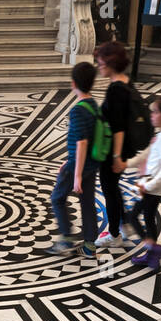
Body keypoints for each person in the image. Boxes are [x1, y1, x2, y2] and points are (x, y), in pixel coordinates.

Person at [94, 40, 146, 248]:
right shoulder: (127, 83)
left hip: (115, 149)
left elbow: (118, 127)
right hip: (126, 146)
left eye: (100, 62)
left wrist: (116, 156)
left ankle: (114, 234)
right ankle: (125, 223)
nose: (98, 66)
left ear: (110, 63)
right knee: (113, 187)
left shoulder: (116, 90)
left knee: (110, 190)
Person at [48, 62, 102, 258]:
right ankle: (89, 245)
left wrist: (76, 174)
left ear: (73, 83)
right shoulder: (93, 104)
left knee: (57, 198)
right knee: (87, 202)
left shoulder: (78, 110)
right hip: (91, 163)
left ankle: (66, 239)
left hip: (78, 165)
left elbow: (81, 142)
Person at [126, 94, 161, 271]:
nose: (151, 115)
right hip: (154, 187)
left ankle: (152, 248)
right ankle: (152, 256)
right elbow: (147, 153)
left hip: (152, 187)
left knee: (134, 217)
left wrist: (146, 186)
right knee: (149, 219)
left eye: (155, 112)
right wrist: (126, 164)